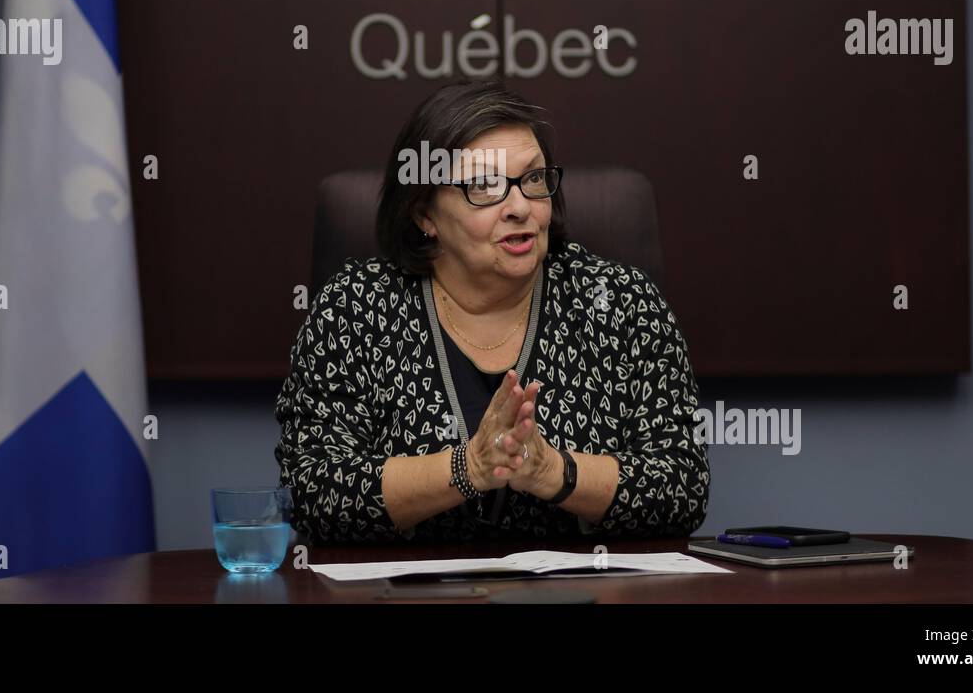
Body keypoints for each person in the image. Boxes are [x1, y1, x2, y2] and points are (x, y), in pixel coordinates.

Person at [274, 80, 710, 543]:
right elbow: (311, 490)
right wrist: (468, 467)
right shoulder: (355, 307)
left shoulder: (621, 302)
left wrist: (552, 471)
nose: (520, 207)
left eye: (534, 180)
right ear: (424, 214)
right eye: (484, 186)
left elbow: (682, 487)